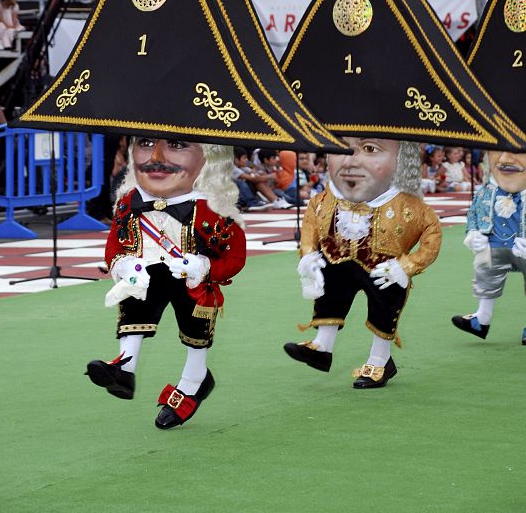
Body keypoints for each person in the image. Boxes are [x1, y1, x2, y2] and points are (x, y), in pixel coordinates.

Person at [85, 137, 246, 430]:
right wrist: (123, 264)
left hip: (191, 281)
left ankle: (194, 378)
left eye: (177, 144)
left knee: (194, 325)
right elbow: (115, 243)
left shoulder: (213, 206)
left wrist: (204, 266)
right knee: (135, 299)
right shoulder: (129, 201)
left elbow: (235, 255)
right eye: (146, 143)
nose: (156, 157)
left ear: (209, 156)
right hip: (148, 273)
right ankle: (125, 366)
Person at [283, 138, 441, 388]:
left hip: (384, 269)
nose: (350, 161)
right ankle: (322, 346)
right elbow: (312, 222)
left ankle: (380, 359)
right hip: (337, 259)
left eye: (369, 150)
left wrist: (406, 266)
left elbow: (432, 236)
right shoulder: (327, 198)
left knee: (384, 306)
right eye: (340, 149)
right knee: (330, 294)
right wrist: (309, 253)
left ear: (401, 160)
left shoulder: (408, 205)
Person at [452, 149, 526, 344]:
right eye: (497, 151)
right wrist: (473, 232)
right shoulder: (487, 190)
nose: (504, 158)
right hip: (494, 243)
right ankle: (482, 319)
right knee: (486, 275)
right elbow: (473, 213)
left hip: (523, 246)